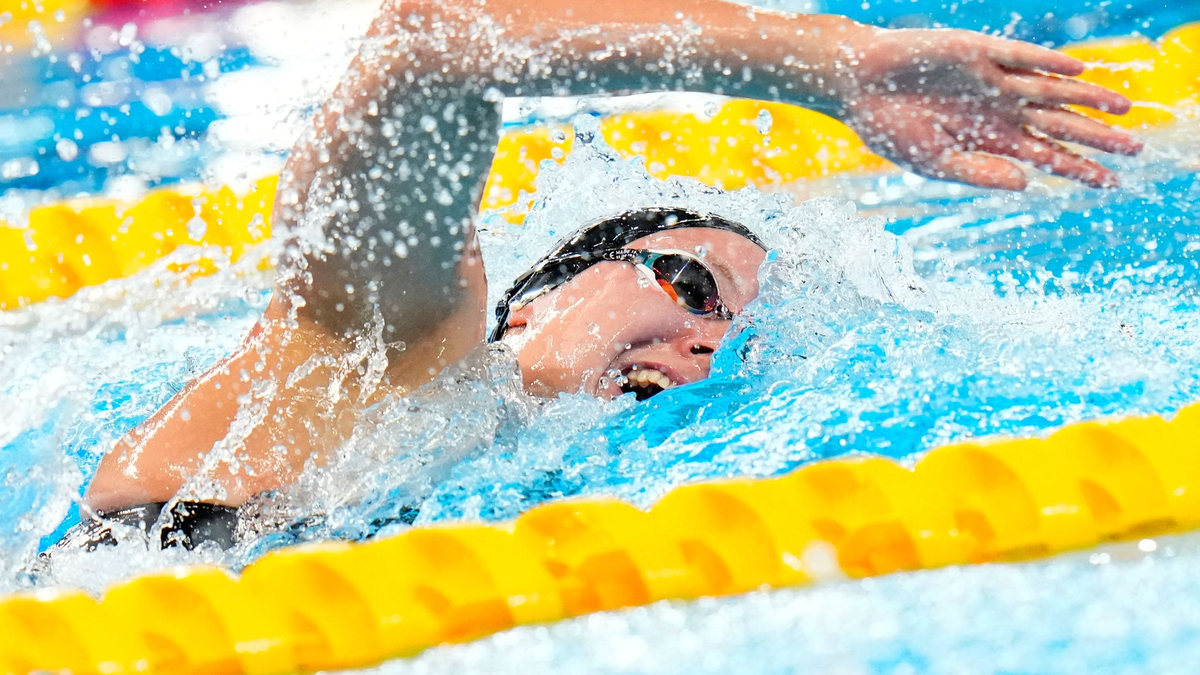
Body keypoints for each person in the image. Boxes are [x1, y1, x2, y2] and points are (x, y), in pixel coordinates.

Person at [74, 0, 1141, 547]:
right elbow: (425, 43)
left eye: (731, 339)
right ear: (536, 297)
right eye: (694, 288)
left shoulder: (498, 482)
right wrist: (832, 64)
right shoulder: (384, 355)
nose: (708, 344)